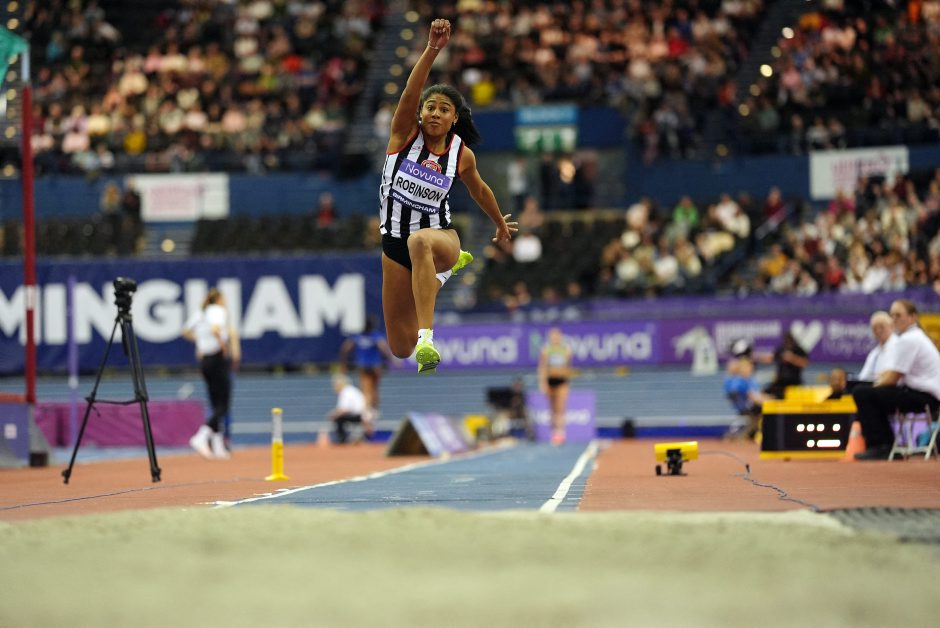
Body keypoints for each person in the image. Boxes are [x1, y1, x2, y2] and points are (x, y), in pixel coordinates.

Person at [379, 18, 516, 374]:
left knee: (420, 241)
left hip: (440, 238)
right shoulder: (403, 135)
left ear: (454, 118)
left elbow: (480, 190)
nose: (435, 113)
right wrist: (432, 49)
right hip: (393, 244)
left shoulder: (460, 154)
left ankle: (428, 337)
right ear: (421, 113)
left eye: (443, 109)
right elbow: (410, 91)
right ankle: (443, 277)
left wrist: (500, 223)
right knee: (400, 347)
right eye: (430, 107)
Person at [851, 299, 940, 460]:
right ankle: (885, 445)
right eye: (892, 315)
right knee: (870, 394)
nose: (894, 319)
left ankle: (881, 445)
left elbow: (892, 378)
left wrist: (873, 387)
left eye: (898, 315)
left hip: (925, 397)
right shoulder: (913, 337)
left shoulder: (909, 339)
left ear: (912, 317)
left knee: (862, 394)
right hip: (924, 395)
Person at [183, 288, 240, 460]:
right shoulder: (218, 310)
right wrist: (223, 345)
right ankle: (201, 436)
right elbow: (216, 329)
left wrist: (200, 341)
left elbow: (185, 331)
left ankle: (217, 445)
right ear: (219, 299)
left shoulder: (201, 313)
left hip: (205, 360)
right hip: (216, 358)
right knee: (224, 404)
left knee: (215, 404)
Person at [338, 314, 393, 420]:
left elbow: (344, 349)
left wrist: (343, 364)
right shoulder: (376, 336)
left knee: (366, 390)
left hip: (363, 366)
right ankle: (373, 411)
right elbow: (384, 348)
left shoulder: (358, 336)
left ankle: (367, 411)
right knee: (374, 389)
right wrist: (392, 359)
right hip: (374, 366)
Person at [538, 327, 573, 445]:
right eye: (552, 336)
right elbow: (542, 367)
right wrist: (542, 383)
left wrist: (567, 379)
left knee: (561, 408)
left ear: (560, 336)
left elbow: (568, 366)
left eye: (557, 335)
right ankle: (553, 433)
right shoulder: (546, 349)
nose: (555, 338)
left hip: (561, 381)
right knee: (552, 409)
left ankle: (561, 433)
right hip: (550, 381)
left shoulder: (566, 349)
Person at [755, 330, 809, 399]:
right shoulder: (782, 349)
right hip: (781, 382)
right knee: (765, 393)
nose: (787, 342)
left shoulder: (798, 350)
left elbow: (805, 363)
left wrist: (792, 358)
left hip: (794, 382)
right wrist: (758, 358)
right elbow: (771, 358)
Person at [327, 373, 370, 444]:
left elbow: (344, 410)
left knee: (338, 419)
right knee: (339, 417)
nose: (334, 387)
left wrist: (333, 415)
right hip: (363, 415)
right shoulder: (350, 390)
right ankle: (348, 438)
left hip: (359, 416)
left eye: (335, 385)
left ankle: (342, 439)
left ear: (340, 384)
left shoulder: (345, 392)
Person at [856, 310, 898, 382]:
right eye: (875, 328)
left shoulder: (898, 347)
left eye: (882, 327)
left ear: (891, 326)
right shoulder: (874, 353)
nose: (878, 331)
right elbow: (863, 377)